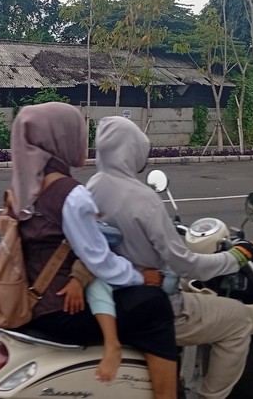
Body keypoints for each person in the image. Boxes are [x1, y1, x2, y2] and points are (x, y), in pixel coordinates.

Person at [10, 102, 178, 398]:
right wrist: (142, 277)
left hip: (34, 304)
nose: (84, 142)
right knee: (156, 306)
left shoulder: (26, 187)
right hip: (62, 312)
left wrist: (78, 278)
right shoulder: (71, 194)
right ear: (60, 139)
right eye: (77, 133)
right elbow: (100, 261)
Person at [87, 115, 253, 399]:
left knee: (195, 294)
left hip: (113, 299)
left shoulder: (92, 187)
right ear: (133, 151)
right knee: (239, 319)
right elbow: (186, 264)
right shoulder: (144, 200)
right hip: (154, 305)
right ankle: (209, 395)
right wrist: (237, 257)